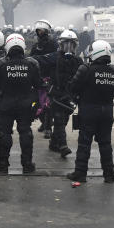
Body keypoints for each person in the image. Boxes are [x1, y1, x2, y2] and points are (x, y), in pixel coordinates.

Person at [67, 40, 114, 183]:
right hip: (107, 111)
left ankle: (80, 174)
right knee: (105, 144)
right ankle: (109, 175)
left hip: (89, 110)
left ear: (95, 53)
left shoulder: (85, 69)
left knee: (84, 143)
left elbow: (73, 87)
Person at [0, 33, 41, 174]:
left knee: (4, 133)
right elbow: (38, 84)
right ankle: (27, 165)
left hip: (6, 103)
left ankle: (3, 164)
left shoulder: (0, 64)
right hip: (25, 104)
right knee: (26, 133)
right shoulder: (32, 63)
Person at [40, 30, 82, 158]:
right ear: (60, 44)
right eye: (66, 44)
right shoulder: (54, 57)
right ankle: (63, 146)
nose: (68, 47)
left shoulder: (78, 60)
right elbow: (40, 62)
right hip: (56, 94)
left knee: (63, 121)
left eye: (71, 44)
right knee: (58, 120)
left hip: (69, 96)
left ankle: (53, 143)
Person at [30, 20, 57, 137]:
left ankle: (48, 127)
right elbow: (31, 58)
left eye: (41, 30)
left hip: (49, 76)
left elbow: (55, 58)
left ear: (46, 31)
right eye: (38, 31)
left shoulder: (53, 44)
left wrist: (41, 58)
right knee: (37, 103)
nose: (39, 32)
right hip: (38, 76)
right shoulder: (35, 45)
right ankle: (43, 122)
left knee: (48, 104)